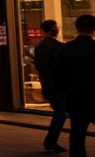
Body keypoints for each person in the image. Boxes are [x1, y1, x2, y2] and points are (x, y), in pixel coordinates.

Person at [58, 14, 95, 157]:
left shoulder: (66, 48)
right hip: (94, 96)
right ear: (93, 29)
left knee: (77, 132)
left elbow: (58, 74)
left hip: (75, 97)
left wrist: (62, 94)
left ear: (76, 28)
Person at [34, 18, 67, 152]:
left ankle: (51, 140)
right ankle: (50, 140)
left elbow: (38, 65)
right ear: (55, 31)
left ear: (43, 31)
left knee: (61, 111)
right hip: (58, 85)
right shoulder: (58, 46)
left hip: (47, 84)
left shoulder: (39, 46)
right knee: (61, 112)